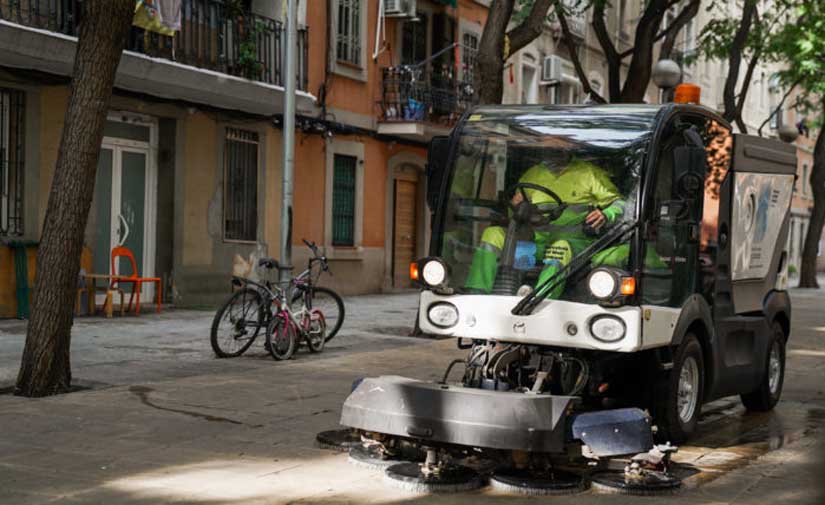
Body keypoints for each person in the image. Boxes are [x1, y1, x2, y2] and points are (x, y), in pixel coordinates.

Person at [465, 157, 627, 298]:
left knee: (560, 247)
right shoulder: (532, 174)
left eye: (561, 142)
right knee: (492, 233)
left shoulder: (589, 174)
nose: (556, 148)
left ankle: (538, 298)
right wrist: (514, 206)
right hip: (533, 244)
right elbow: (516, 213)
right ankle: (476, 292)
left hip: (575, 243)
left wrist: (607, 214)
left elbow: (620, 203)